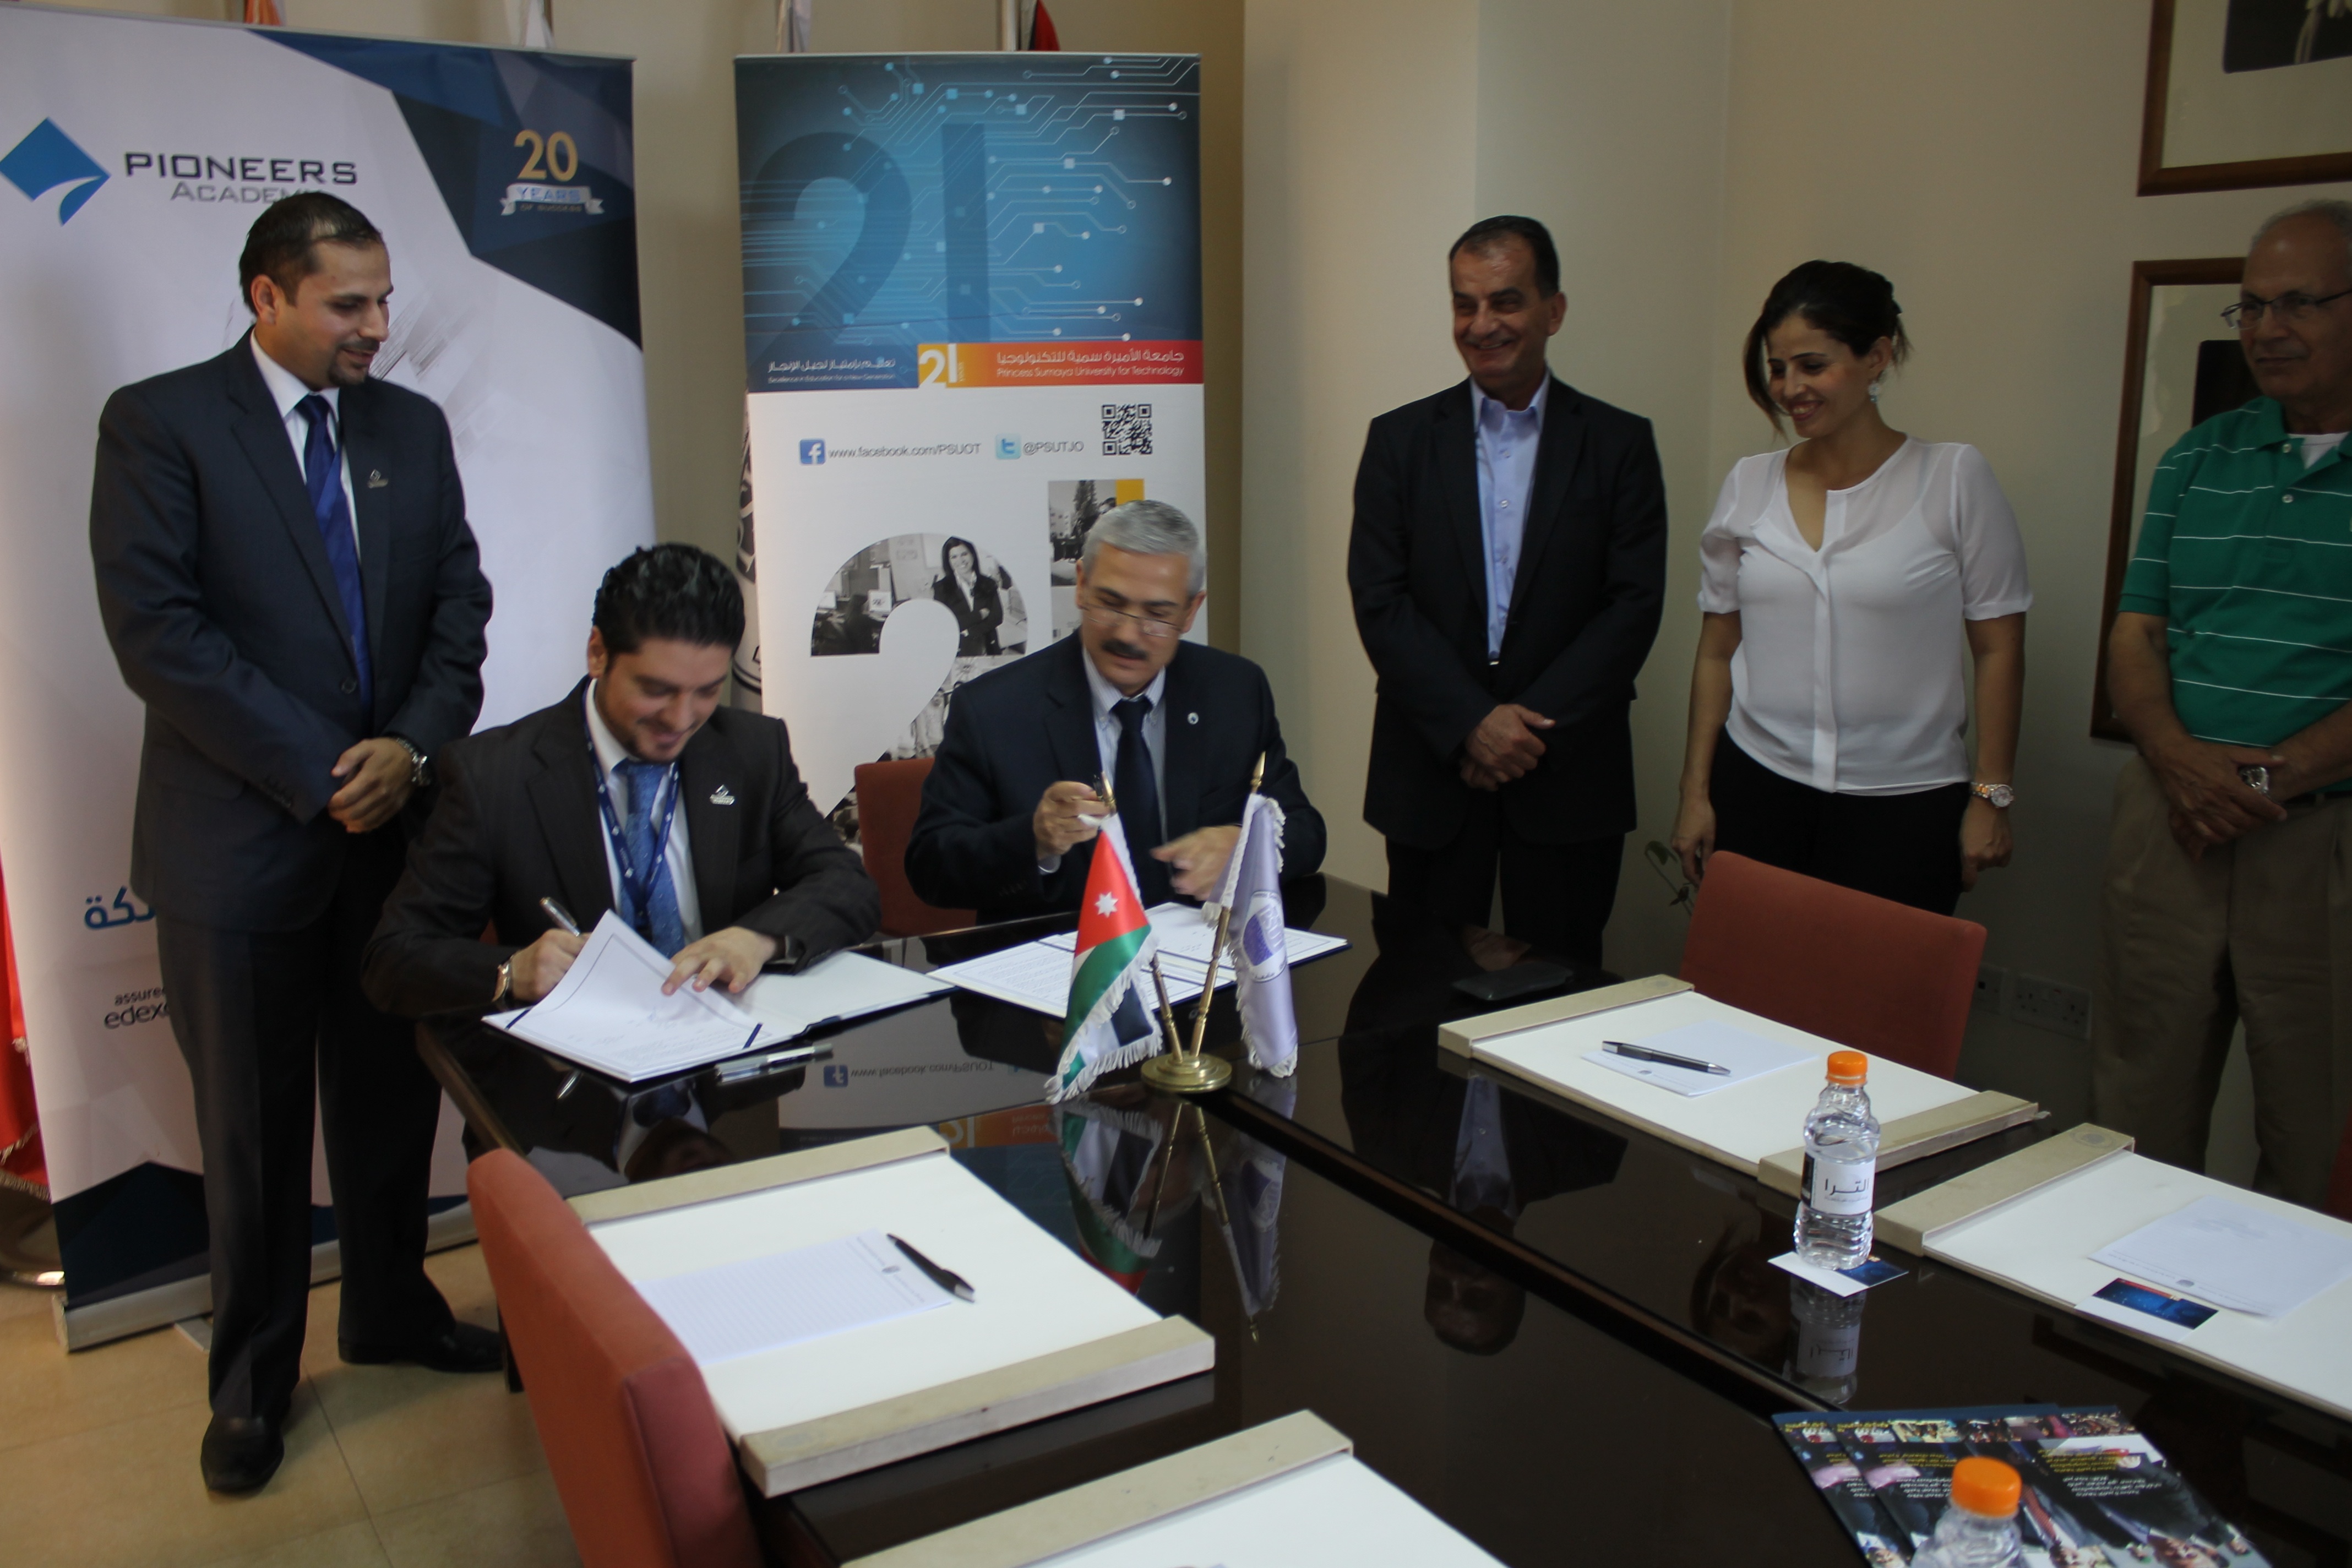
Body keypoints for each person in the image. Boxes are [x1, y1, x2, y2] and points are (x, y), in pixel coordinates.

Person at [88, 193, 496, 1494]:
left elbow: (460, 609)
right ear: (267, 295)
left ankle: (391, 1308)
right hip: (240, 850)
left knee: (390, 1105)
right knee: (254, 1138)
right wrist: (327, 772)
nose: (378, 325)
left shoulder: (410, 427)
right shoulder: (160, 423)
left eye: (384, 298)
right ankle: (253, 1385)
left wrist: (410, 750)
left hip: (392, 842)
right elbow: (160, 634)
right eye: (347, 304)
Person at [2096, 198, 2352, 1205]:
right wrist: (2178, 759)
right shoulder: (2199, 457)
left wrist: (2263, 780)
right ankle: (2121, 1303)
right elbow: (2136, 634)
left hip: (2318, 834)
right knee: (2136, 1105)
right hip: (2172, 815)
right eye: (2250, 307)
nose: (2266, 329)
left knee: (2315, 1124)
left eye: (2298, 304)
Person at [363, 544, 879, 1020]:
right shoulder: (494, 775)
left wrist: (757, 939)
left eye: (706, 691)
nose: (681, 719)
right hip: (572, 1070)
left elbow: (846, 885)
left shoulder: (752, 750)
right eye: (657, 690)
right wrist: (510, 972)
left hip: (728, 1056)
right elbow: (392, 960)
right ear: (598, 653)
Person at [1348, 215, 1667, 967]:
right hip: (1432, 772)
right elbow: (1381, 600)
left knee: (1561, 993)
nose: (1481, 324)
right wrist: (1470, 722)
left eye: (1506, 301)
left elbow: (1631, 607)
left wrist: (1520, 733)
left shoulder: (1619, 445)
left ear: (1554, 311)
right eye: (1465, 304)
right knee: (1415, 990)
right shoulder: (1399, 441)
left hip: (1567, 776)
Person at [1668, 261, 2030, 916]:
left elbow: (1999, 647)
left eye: (1813, 365)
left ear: (1877, 357)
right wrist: (1696, 792)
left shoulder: (1952, 478)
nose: (1791, 388)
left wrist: (1991, 794)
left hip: (1904, 804)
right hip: (1757, 786)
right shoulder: (1749, 484)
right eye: (1779, 368)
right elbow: (1718, 650)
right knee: (1750, 976)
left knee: (1879, 981)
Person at [907, 500, 1325, 922]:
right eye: (1111, 604)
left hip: (1202, 955)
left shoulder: (1234, 690)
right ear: (1082, 585)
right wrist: (1034, 840)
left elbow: (1305, 828)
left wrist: (1250, 849)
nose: (1128, 635)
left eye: (1157, 615)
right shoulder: (994, 708)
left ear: (1191, 611)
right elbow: (931, 867)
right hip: (1064, 954)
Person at [933, 536, 1004, 656]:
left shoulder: (988, 583)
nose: (961, 560)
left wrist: (970, 631)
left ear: (973, 555)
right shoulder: (941, 588)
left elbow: (997, 617)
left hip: (989, 648)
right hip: (959, 651)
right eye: (954, 557)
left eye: (964, 554)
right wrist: (979, 615)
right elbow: (945, 624)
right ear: (948, 561)